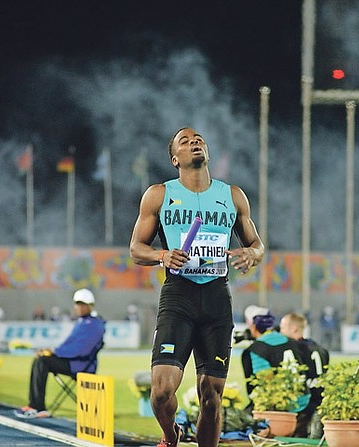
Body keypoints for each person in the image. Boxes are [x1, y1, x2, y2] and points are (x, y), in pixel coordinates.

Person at [129, 127, 265, 447]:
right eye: (186, 142)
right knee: (162, 392)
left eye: (199, 140)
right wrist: (162, 255)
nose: (195, 143)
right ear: (175, 158)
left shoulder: (232, 195)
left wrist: (251, 254)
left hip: (217, 296)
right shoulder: (159, 194)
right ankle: (170, 435)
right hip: (179, 294)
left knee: (212, 397)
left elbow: (257, 244)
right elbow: (136, 249)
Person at [14, 288, 105, 419]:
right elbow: (68, 345)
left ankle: (37, 407)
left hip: (81, 366)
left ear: (90, 306)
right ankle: (34, 405)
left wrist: (54, 352)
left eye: (82, 304)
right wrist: (49, 351)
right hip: (73, 361)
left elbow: (80, 350)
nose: (78, 307)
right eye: (77, 304)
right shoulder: (83, 322)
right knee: (41, 358)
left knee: (42, 361)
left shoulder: (95, 325)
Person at [279, 312, 330, 438]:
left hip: (301, 406)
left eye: (282, 328)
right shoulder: (321, 349)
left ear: (295, 329)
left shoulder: (291, 349)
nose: (280, 332)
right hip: (320, 403)